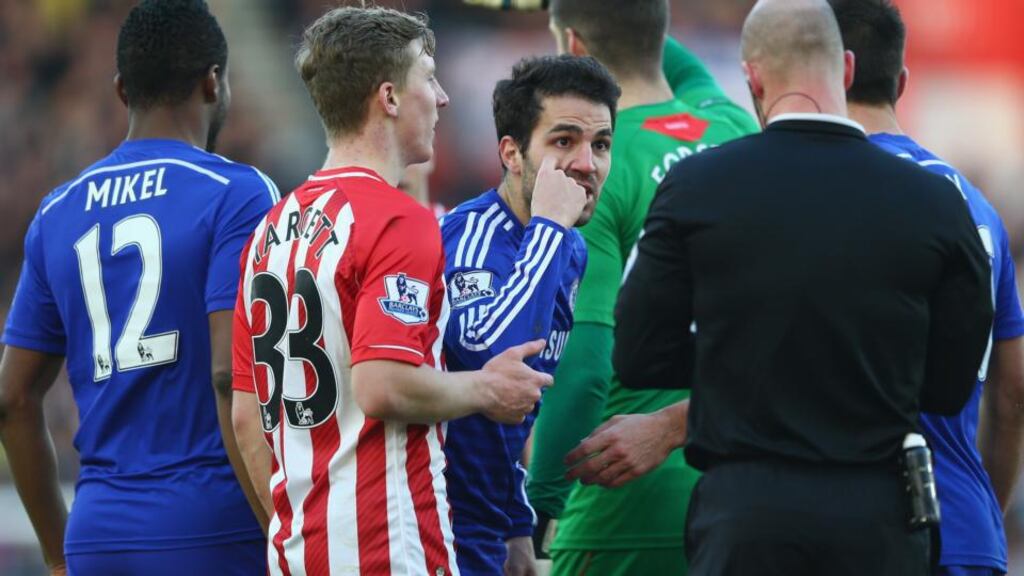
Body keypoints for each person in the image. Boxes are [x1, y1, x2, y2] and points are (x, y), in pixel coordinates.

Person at [612, 0, 993, 574]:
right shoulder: (936, 203)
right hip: (879, 516)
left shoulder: (698, 187)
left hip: (746, 514)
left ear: (753, 78)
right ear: (844, 69)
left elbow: (639, 354)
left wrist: (741, 357)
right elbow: (947, 386)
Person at [229, 7, 553, 575]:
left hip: (298, 555)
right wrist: (486, 387)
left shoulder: (270, 230)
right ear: (390, 97)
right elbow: (381, 386)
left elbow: (245, 419)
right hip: (389, 551)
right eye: (428, 77)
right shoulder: (395, 220)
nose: (444, 97)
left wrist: (294, 536)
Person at [457, 1, 759, 574]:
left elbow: (587, 365)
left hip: (625, 493)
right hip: (741, 474)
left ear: (573, 46)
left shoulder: (589, 171)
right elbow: (660, 47)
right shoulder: (733, 127)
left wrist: (543, 505)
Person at [0, 1, 276, 574]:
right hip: (213, 526)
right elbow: (230, 375)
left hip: (99, 533)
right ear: (213, 82)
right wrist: (275, 525)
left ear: (122, 89)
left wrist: (59, 553)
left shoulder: (56, 212)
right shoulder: (238, 193)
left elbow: (11, 399)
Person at [829, 1, 1024, 574]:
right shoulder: (978, 206)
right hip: (964, 527)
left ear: (826, 74)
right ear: (902, 81)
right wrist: (987, 505)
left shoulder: (814, 195)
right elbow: (1013, 392)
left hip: (845, 527)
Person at [440, 55, 618, 576]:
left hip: (490, 525)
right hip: (439, 526)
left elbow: (523, 409)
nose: (587, 164)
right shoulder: (473, 237)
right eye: (564, 142)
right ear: (512, 153)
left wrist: (516, 524)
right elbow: (497, 362)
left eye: (600, 144)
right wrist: (548, 231)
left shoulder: (570, 248)